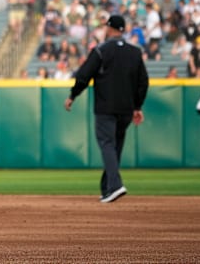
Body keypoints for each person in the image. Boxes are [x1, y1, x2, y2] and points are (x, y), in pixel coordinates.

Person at [64, 15, 149, 203]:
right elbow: (143, 82)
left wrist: (73, 95)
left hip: (105, 107)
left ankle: (115, 186)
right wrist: (137, 106)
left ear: (110, 29)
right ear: (123, 30)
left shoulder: (101, 50)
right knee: (114, 147)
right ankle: (107, 188)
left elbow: (84, 75)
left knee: (107, 144)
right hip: (126, 109)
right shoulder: (135, 52)